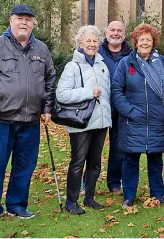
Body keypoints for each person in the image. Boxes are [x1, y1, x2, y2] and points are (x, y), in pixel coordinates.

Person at [0, 4, 56, 225]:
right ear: (11, 21)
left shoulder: (41, 50)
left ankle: (17, 205)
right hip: (0, 121)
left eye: (28, 19)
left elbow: (50, 81)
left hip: (31, 122)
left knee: (25, 167)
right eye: (20, 18)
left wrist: (48, 109)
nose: (24, 23)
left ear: (33, 23)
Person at [112, 23, 164, 207]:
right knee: (130, 160)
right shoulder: (126, 63)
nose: (145, 43)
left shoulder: (161, 62)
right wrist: (129, 111)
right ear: (136, 42)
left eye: (148, 39)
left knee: (155, 159)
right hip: (133, 120)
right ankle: (129, 196)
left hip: (157, 120)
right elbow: (117, 90)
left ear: (153, 42)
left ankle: (158, 195)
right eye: (142, 40)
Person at [56, 25, 112, 214]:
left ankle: (89, 197)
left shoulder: (102, 65)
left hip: (100, 123)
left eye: (95, 41)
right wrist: (88, 92)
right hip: (81, 122)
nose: (92, 44)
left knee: (95, 163)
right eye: (88, 40)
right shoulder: (72, 66)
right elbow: (62, 94)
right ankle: (71, 201)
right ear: (80, 43)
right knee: (78, 162)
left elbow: (108, 95)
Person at [98, 21, 132, 196]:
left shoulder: (131, 54)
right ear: (106, 31)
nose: (116, 33)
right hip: (98, 107)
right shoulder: (96, 51)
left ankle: (114, 183)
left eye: (119, 30)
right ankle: (86, 183)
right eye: (112, 30)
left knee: (118, 148)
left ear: (124, 34)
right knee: (91, 147)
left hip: (121, 108)